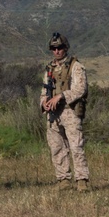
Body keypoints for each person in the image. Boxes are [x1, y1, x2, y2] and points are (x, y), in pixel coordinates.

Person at [40, 32, 90, 191]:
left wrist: (61, 96)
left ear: (65, 48)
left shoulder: (76, 66)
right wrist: (44, 103)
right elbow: (44, 90)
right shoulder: (49, 68)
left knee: (76, 146)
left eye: (60, 48)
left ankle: (81, 180)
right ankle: (63, 179)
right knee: (56, 147)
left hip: (70, 111)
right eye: (53, 48)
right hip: (53, 114)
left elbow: (80, 89)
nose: (57, 51)